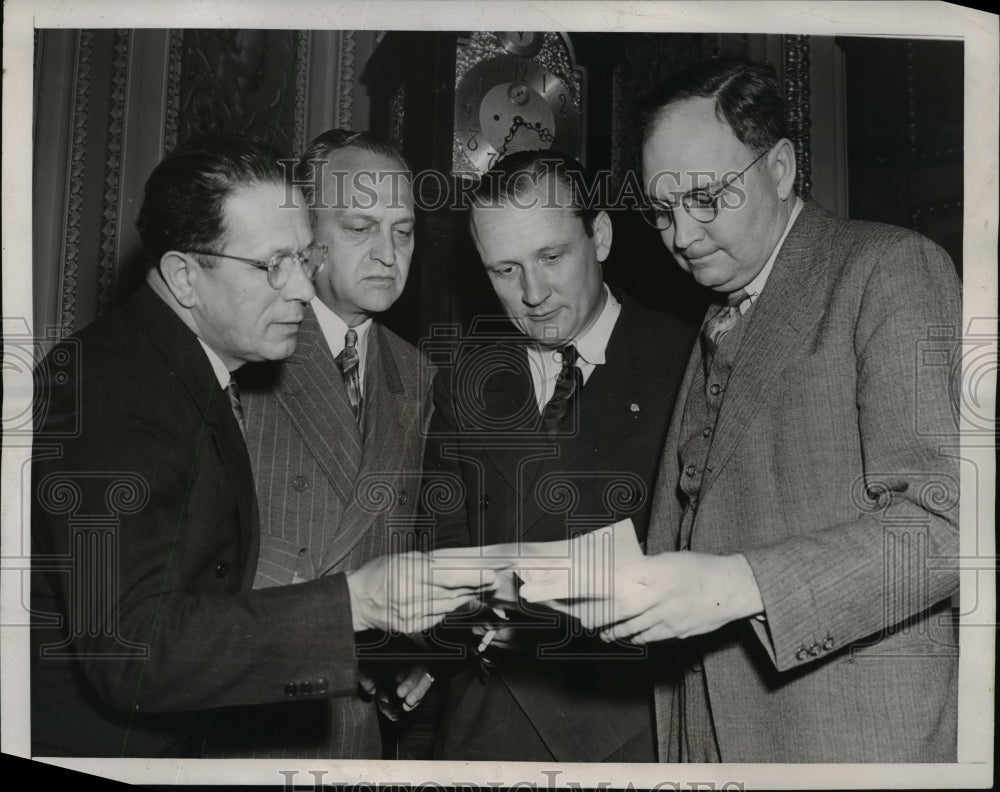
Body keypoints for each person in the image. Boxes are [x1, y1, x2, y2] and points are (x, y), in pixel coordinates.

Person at [29, 134, 491, 757]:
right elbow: (130, 648)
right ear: (185, 276)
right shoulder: (117, 383)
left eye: (302, 259)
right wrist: (348, 606)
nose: (302, 288)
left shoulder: (188, 367)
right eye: (273, 264)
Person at [578, 57, 960, 762]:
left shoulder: (890, 270)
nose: (682, 237)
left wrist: (740, 583)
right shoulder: (717, 314)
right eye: (662, 212)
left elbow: (945, 529)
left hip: (845, 744)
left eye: (705, 198)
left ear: (780, 169)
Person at [423, 150, 697, 762]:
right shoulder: (464, 383)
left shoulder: (690, 362)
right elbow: (439, 559)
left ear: (599, 236)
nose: (534, 294)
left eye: (551, 257)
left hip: (631, 734)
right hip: (487, 732)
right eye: (505, 269)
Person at [214, 130, 435, 759]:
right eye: (361, 227)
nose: (389, 254)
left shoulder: (418, 375)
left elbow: (407, 539)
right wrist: (335, 625)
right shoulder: (245, 342)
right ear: (307, 236)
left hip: (355, 730)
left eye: (404, 230)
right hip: (247, 710)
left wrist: (413, 649)